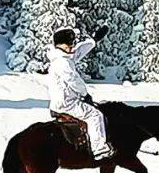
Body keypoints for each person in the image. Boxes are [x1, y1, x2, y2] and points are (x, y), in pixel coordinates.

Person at [48, 26, 113, 160]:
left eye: (72, 44)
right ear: (61, 45)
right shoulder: (62, 63)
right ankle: (99, 149)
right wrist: (85, 94)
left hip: (67, 100)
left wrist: (94, 40)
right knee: (95, 115)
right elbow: (74, 80)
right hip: (67, 103)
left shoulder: (63, 56)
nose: (72, 47)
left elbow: (78, 52)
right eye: (69, 44)